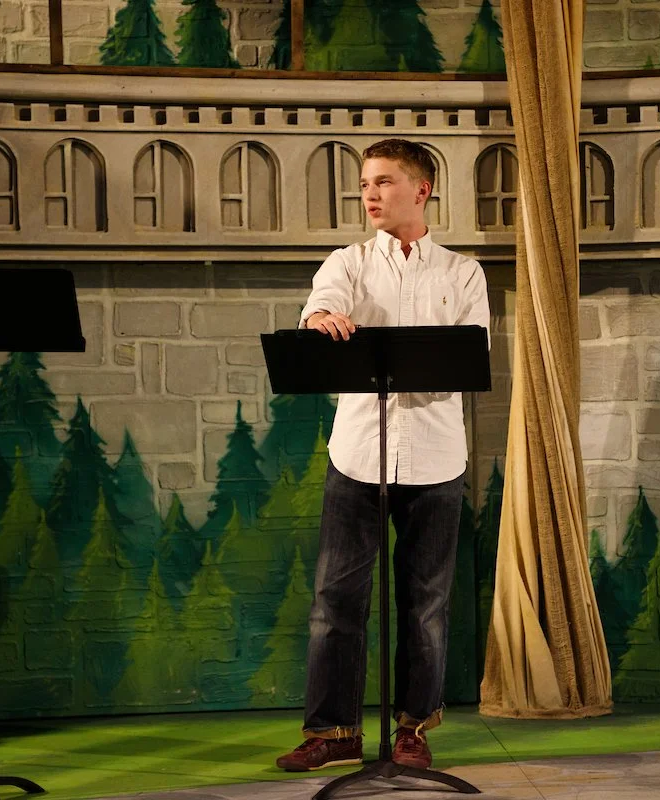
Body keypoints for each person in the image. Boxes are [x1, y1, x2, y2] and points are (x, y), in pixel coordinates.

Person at [275, 139, 490, 772]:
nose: (369, 194)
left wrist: (418, 365)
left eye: (383, 182)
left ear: (421, 190)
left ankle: (413, 729)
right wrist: (320, 321)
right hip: (359, 455)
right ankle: (334, 733)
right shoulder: (348, 262)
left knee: (425, 604)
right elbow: (321, 304)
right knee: (334, 602)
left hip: (435, 457)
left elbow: (470, 357)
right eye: (365, 183)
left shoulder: (462, 272)